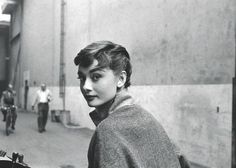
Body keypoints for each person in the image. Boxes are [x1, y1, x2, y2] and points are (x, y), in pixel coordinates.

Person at [74, 41, 182, 168]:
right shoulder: (148, 118)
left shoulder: (107, 131)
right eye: (82, 78)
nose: (85, 86)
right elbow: (181, 160)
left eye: (96, 76)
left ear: (121, 79)